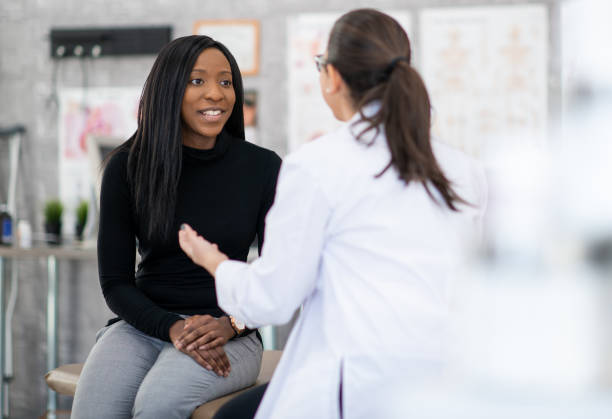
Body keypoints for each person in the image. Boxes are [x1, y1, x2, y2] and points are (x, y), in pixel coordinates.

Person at [178, 9, 487, 419]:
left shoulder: (317, 166)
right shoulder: (465, 169)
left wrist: (213, 262)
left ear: (334, 77)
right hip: (450, 381)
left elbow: (273, 300)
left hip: (358, 387)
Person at [71, 35, 281, 419]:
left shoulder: (264, 168)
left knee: (157, 405)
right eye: (197, 81)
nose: (216, 94)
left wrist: (231, 324)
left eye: (226, 81)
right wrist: (172, 328)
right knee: (94, 411)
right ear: (169, 90)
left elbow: (279, 277)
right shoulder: (126, 166)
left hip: (230, 333)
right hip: (143, 325)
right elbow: (115, 283)